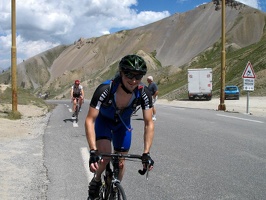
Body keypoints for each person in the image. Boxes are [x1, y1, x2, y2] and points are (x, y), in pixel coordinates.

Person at [85, 54, 155, 200]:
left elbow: (149, 123)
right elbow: (90, 120)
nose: (134, 80)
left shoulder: (144, 93)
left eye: (139, 76)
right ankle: (96, 181)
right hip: (103, 122)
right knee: (104, 159)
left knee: (121, 164)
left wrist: (146, 153)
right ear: (121, 73)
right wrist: (93, 151)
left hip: (122, 126)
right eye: (129, 74)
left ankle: (114, 188)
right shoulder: (105, 89)